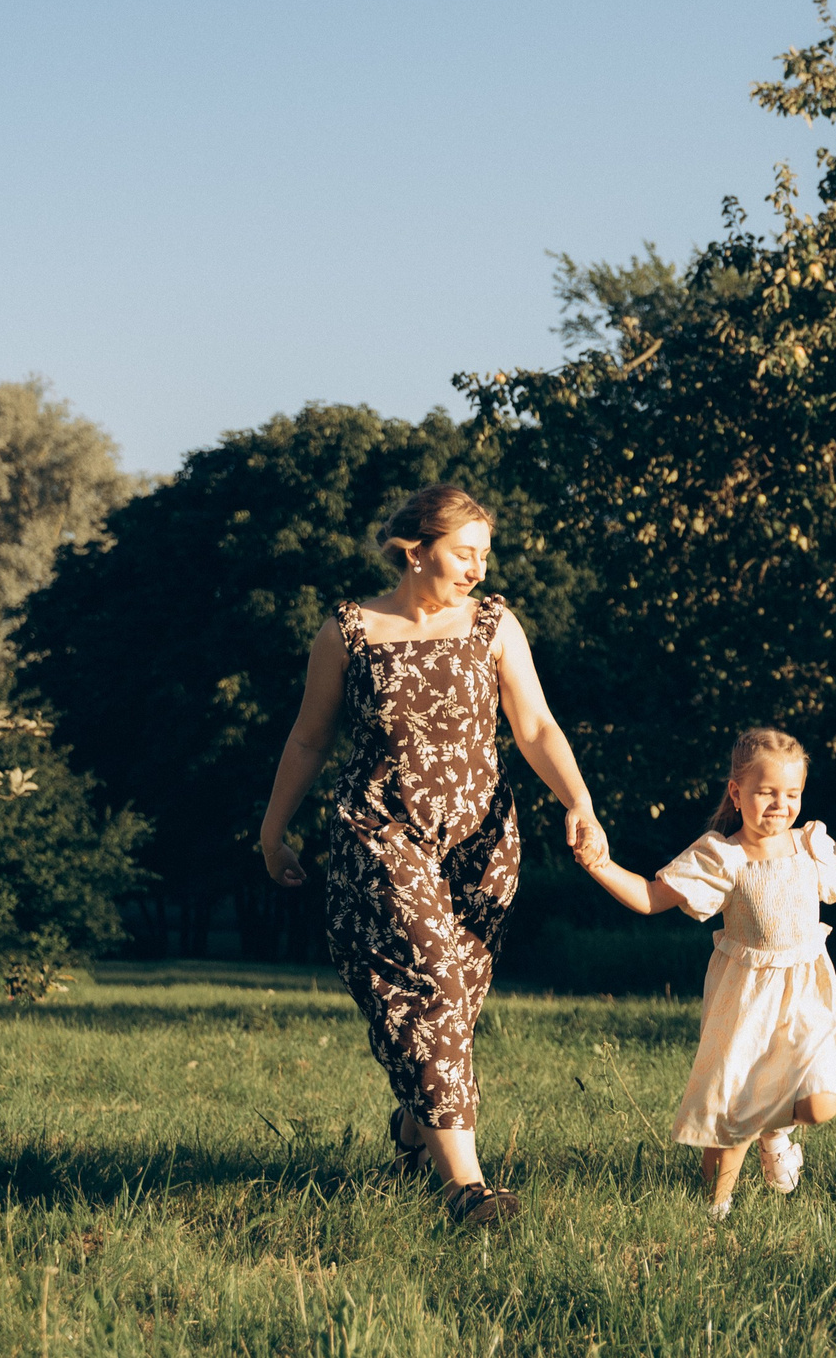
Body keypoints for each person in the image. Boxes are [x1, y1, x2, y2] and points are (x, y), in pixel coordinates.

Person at [257, 483, 608, 1228]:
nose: (479, 567)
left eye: (485, 553)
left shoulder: (493, 624)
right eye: (464, 552)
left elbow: (536, 726)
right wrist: (271, 829)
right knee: (437, 988)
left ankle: (415, 1133)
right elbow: (309, 738)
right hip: (382, 831)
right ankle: (466, 1186)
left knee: (456, 1009)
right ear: (416, 548)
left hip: (481, 843)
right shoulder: (348, 631)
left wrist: (578, 800)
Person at [584, 727, 836, 1217]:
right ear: (737, 794)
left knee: (822, 1106)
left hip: (806, 993)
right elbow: (652, 897)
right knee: (735, 1108)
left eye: (792, 794)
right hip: (747, 998)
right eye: (766, 793)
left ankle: (777, 1131)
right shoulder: (723, 856)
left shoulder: (811, 846)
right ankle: (717, 1209)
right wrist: (600, 864)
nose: (780, 805)